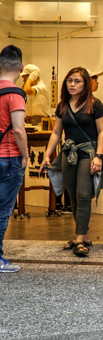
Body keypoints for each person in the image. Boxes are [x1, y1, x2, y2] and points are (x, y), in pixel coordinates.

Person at [41, 68, 103, 257]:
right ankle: (83, 235)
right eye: (69, 80)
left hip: (88, 152)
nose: (72, 84)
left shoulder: (95, 105)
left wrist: (99, 156)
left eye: (77, 81)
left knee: (84, 194)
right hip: (68, 152)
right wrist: (48, 154)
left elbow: (102, 131)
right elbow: (56, 133)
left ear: (86, 84)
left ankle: (78, 239)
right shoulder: (63, 105)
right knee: (73, 196)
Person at [0, 45, 28, 273]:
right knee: (3, 208)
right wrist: (26, 155)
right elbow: (19, 130)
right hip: (8, 157)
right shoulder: (15, 94)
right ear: (20, 67)